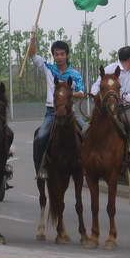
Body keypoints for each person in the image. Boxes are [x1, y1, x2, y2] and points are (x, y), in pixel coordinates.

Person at [27, 36, 86, 180]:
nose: (59, 57)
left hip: (69, 113)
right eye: (56, 54)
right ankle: (41, 168)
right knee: (40, 137)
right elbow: (33, 55)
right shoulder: (48, 68)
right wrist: (33, 40)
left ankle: (86, 165)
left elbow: (82, 92)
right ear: (53, 55)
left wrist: (69, 94)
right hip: (51, 112)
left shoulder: (75, 74)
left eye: (62, 54)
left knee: (87, 131)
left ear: (67, 55)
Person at [90, 45, 130, 174]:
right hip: (106, 108)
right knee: (89, 126)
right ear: (129, 59)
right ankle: (87, 155)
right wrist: (95, 94)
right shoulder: (109, 69)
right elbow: (96, 85)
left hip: (126, 107)